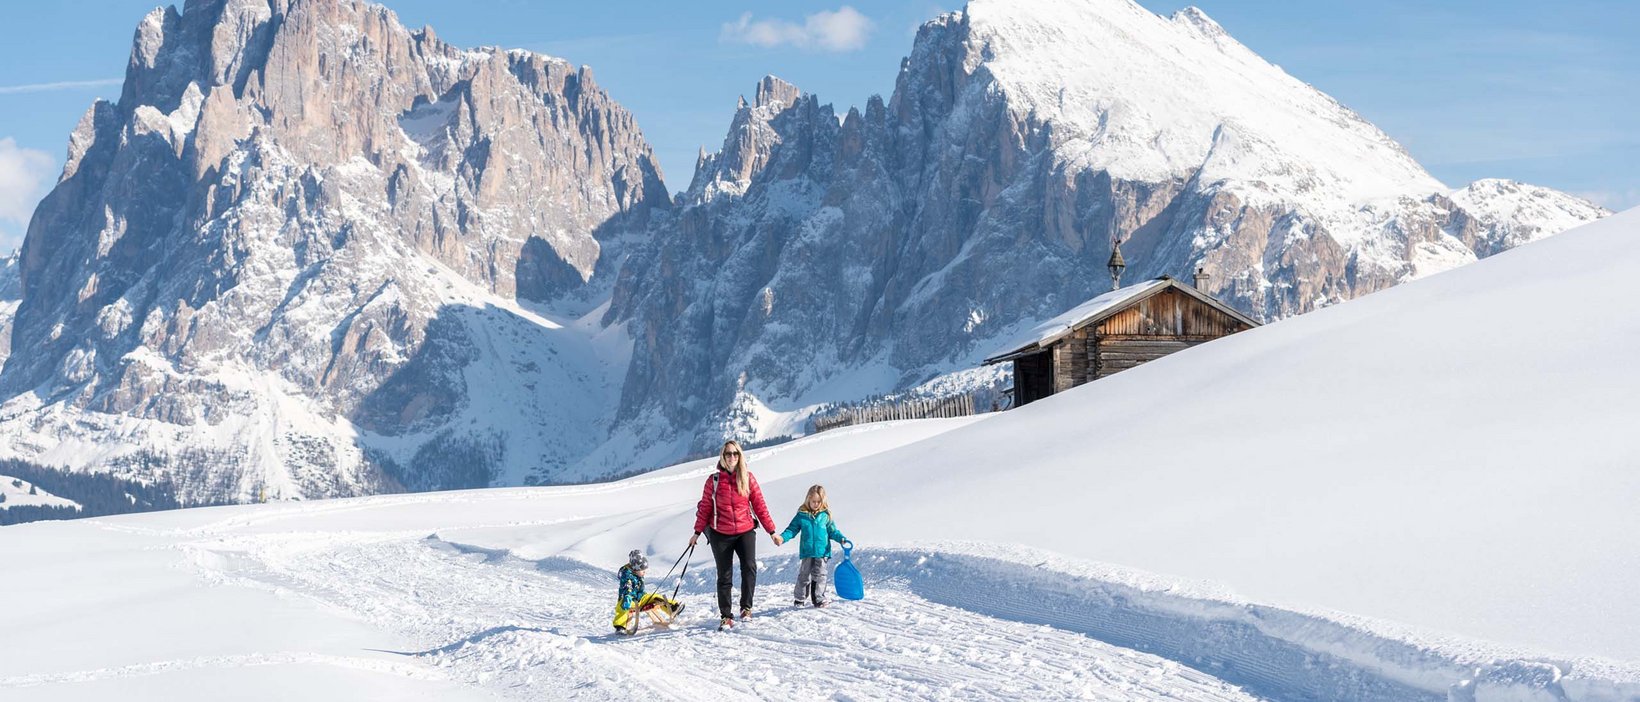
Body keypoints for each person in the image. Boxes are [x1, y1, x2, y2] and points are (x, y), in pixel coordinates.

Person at [690, 440, 778, 630]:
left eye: (735, 454)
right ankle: (726, 616)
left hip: (745, 530)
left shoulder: (748, 478)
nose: (732, 457)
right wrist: (696, 533)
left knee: (749, 567)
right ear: (723, 456)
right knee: (724, 575)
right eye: (728, 454)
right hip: (720, 533)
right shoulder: (713, 481)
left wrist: (772, 531)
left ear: (740, 456)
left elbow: (760, 506)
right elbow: (705, 508)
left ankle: (746, 608)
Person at [776, 484, 851, 608]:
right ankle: (799, 599)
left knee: (820, 575)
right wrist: (782, 538)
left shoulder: (825, 516)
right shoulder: (802, 516)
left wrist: (841, 539)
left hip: (822, 552)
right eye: (813, 501)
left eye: (818, 502)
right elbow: (792, 529)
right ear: (808, 500)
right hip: (807, 551)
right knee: (804, 575)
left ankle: (818, 598)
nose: (816, 504)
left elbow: (833, 531)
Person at [612, 549, 682, 635]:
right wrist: (627, 596)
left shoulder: (637, 573)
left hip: (641, 597)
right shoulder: (627, 576)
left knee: (655, 597)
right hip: (630, 599)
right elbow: (627, 587)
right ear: (635, 569)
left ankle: (673, 608)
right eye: (643, 570)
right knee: (622, 606)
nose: (645, 572)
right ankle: (620, 627)